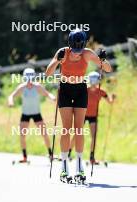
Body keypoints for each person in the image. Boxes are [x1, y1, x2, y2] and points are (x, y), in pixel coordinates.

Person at [46, 29, 112, 183]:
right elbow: (48, 73)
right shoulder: (62, 52)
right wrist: (57, 61)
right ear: (69, 45)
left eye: (79, 50)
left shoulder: (88, 53)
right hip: (65, 91)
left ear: (83, 45)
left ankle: (79, 166)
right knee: (66, 129)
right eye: (74, 50)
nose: (77, 53)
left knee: (78, 129)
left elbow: (107, 69)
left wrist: (103, 60)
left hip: (81, 90)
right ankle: (64, 167)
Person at [8, 68, 56, 162]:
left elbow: (47, 94)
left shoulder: (37, 87)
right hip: (25, 114)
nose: (29, 80)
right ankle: (25, 157)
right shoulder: (22, 87)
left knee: (44, 134)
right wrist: (11, 102)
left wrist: (52, 98)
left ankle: (50, 154)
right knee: (22, 135)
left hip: (36, 114)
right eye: (28, 77)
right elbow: (11, 96)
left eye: (31, 77)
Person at [68, 71, 116, 164]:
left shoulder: (101, 92)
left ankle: (91, 157)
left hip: (93, 116)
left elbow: (110, 102)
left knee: (94, 136)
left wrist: (112, 98)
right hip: (83, 115)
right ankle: (68, 152)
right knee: (77, 134)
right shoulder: (85, 90)